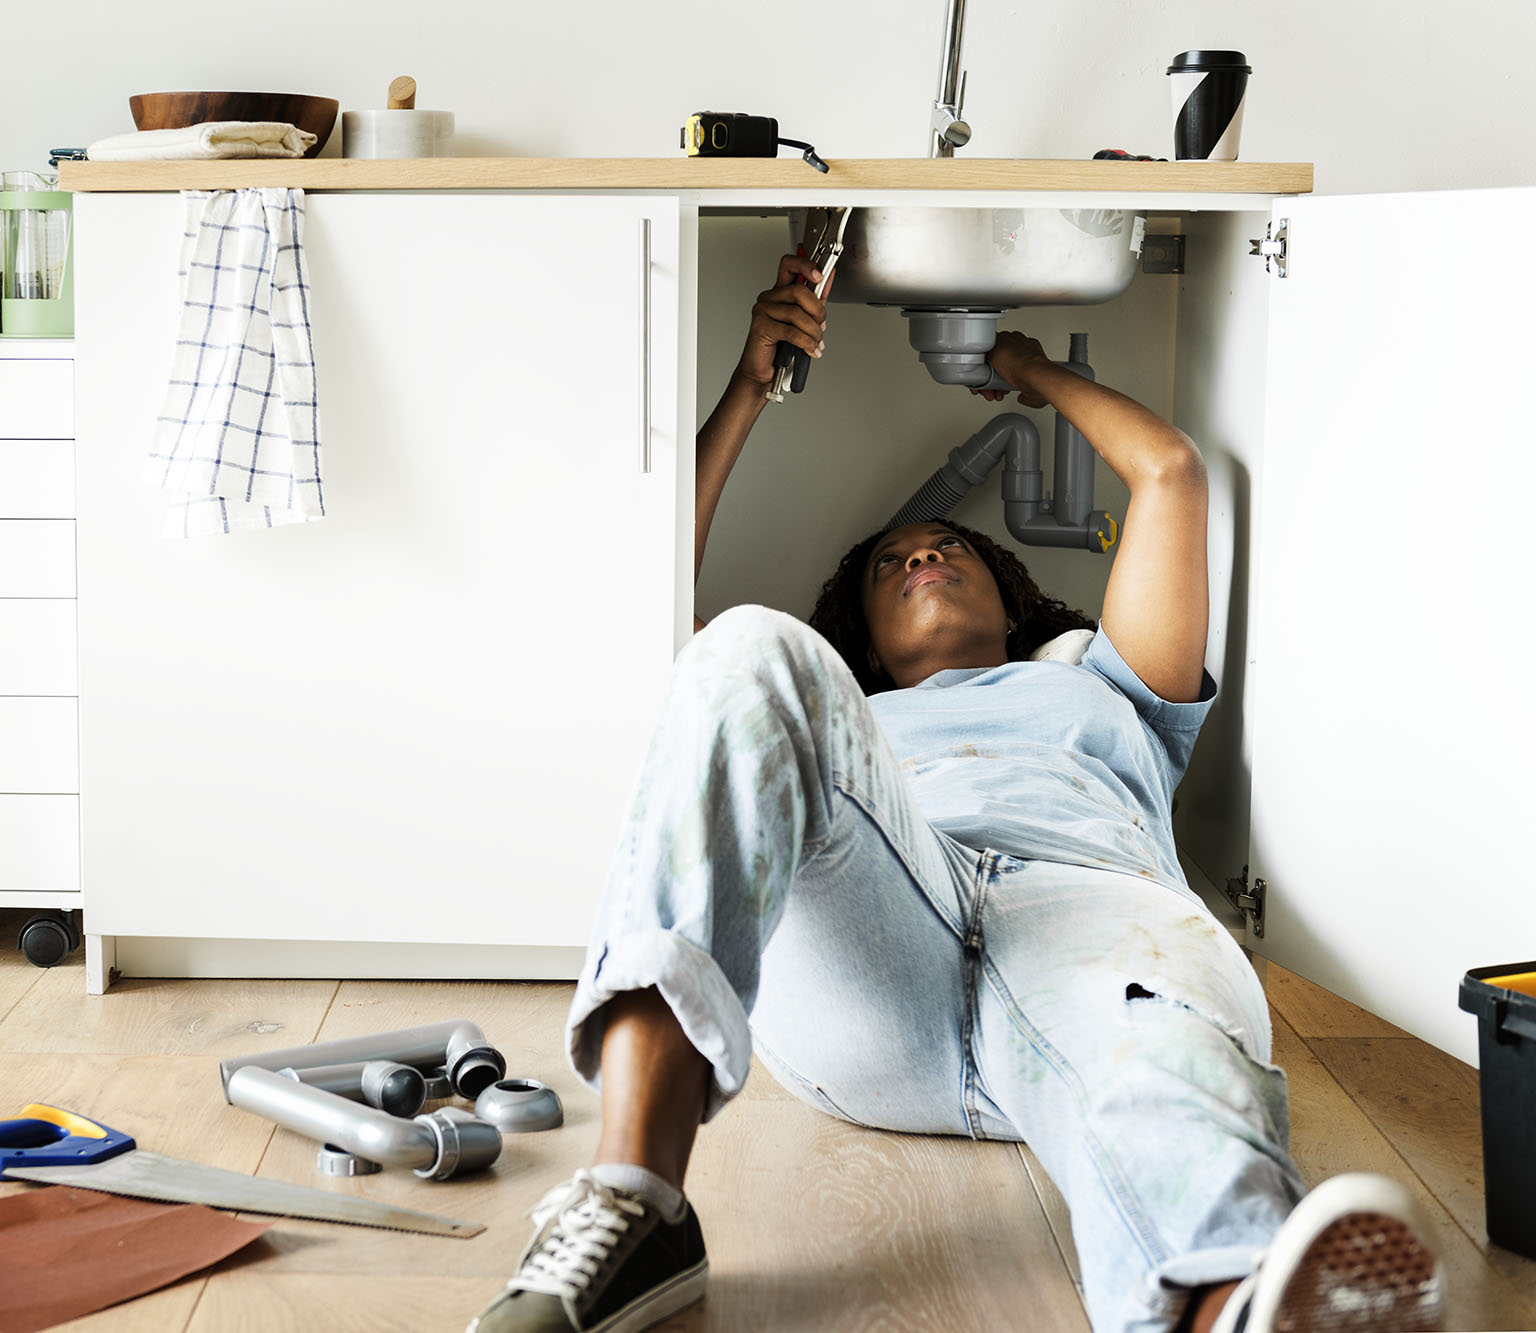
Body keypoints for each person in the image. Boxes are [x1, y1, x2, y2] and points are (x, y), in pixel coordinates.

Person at [469, 253, 1446, 1333]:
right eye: (893, 562)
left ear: (1010, 594)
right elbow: (646, 612)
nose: (923, 550)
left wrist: (1030, 368)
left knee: (1161, 1054)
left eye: (946, 546)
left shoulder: (1099, 684)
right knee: (742, 644)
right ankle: (634, 1201)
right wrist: (749, 387)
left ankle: (1231, 1298)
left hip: (1092, 926)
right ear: (866, 646)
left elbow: (1166, 471)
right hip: (874, 950)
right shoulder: (844, 713)